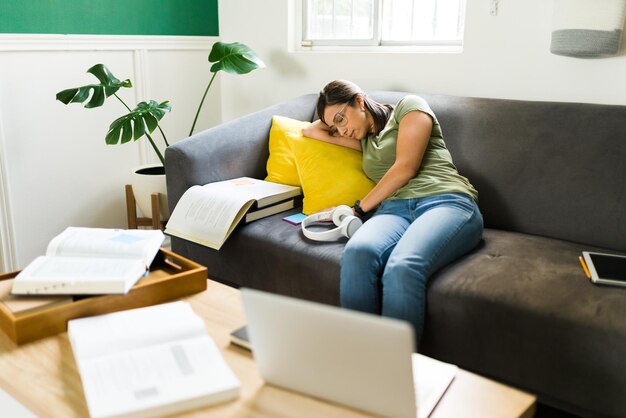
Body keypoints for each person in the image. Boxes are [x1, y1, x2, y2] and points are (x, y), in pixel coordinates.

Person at [302, 80, 484, 342]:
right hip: (394, 209)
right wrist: (333, 115)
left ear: (360, 101)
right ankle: (360, 358)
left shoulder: (409, 108)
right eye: (335, 127)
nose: (341, 130)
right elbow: (311, 130)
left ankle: (397, 372)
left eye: (342, 119)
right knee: (357, 252)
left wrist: (359, 208)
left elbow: (405, 167)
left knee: (402, 267)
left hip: (444, 200)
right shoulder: (363, 140)